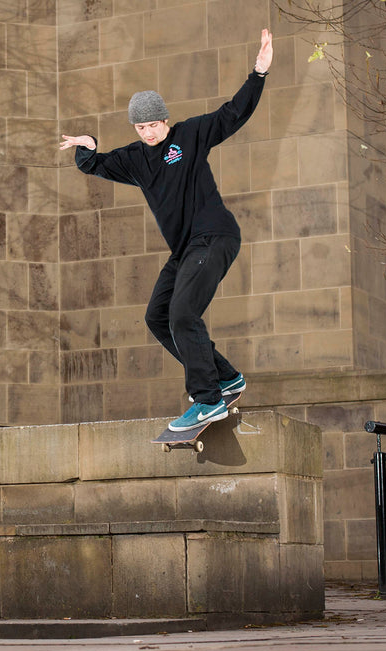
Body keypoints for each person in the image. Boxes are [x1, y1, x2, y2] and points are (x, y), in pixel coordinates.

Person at [60, 29, 274, 433]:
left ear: (165, 121)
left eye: (155, 125)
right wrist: (87, 143)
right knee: (158, 316)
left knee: (182, 312)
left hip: (215, 237)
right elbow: (94, 164)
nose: (149, 134)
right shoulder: (135, 159)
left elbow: (232, 114)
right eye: (141, 128)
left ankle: (208, 399)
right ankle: (226, 377)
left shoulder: (189, 136)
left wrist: (258, 73)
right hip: (185, 250)